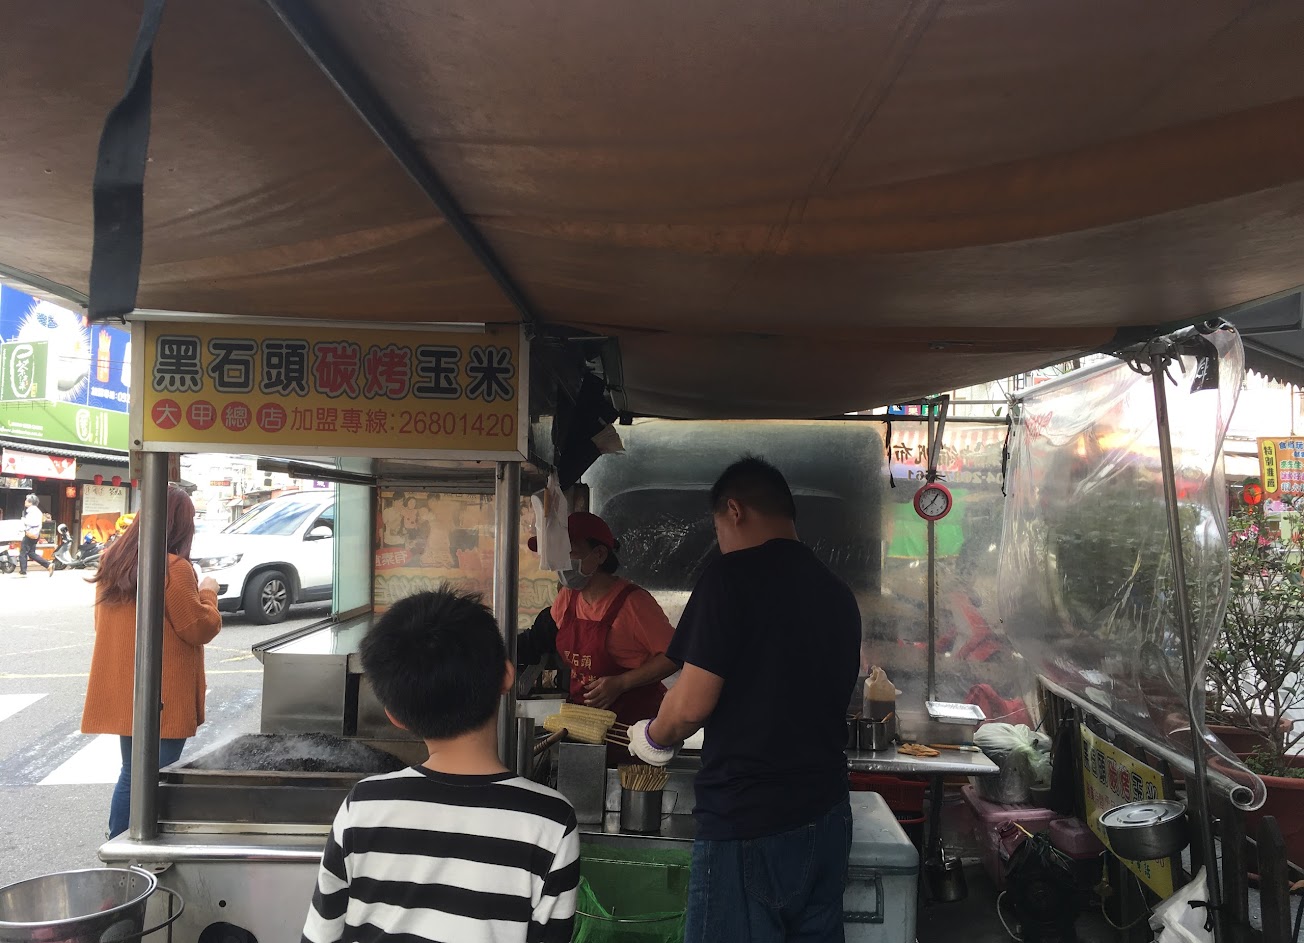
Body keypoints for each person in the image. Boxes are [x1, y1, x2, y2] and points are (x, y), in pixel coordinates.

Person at [629, 457, 861, 943]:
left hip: (751, 818)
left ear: (733, 511)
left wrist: (652, 737)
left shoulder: (731, 576)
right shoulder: (837, 592)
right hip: (828, 815)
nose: (720, 542)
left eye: (718, 529)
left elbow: (689, 707)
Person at [302, 589, 578, 943]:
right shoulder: (551, 822)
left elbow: (321, 934)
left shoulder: (363, 806)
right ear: (507, 676)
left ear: (395, 716)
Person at [81, 485, 222, 838]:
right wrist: (209, 591)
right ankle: (136, 844)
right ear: (181, 525)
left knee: (133, 771)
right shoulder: (174, 568)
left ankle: (119, 842)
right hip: (162, 693)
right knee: (155, 774)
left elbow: (102, 623)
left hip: (125, 687)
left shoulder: (114, 561)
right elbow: (198, 628)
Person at [525, 512, 677, 733]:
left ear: (599, 554)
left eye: (569, 552)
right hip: (584, 726)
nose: (562, 562)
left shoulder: (634, 603)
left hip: (632, 730)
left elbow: (675, 655)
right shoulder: (567, 597)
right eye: (558, 553)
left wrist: (621, 683)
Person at [18, 493, 50, 577]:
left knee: (23, 552)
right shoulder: (35, 511)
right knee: (31, 553)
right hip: (34, 534)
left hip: (30, 534)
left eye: (26, 500)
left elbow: (33, 523)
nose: (25, 501)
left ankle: (23, 571)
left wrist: (24, 520)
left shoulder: (33, 511)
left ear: (30, 502)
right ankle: (48, 565)